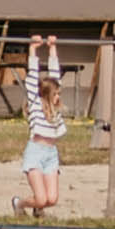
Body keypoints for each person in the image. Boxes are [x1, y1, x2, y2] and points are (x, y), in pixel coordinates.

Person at [15, 35, 67, 218]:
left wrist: (52, 47)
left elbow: (55, 74)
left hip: (51, 154)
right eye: (56, 94)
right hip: (36, 152)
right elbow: (32, 76)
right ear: (46, 95)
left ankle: (38, 208)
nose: (58, 97)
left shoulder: (55, 109)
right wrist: (33, 49)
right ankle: (19, 203)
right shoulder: (36, 104)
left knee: (51, 199)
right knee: (41, 198)